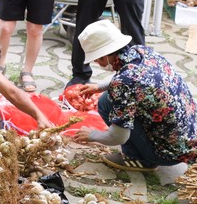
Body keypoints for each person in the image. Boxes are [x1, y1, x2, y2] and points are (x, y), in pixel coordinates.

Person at [72, 20, 197, 171]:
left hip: (169, 154)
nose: (98, 63)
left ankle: (139, 159)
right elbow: (130, 77)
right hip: (188, 139)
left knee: (105, 104)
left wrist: (91, 135)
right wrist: (99, 86)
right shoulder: (141, 51)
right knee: (108, 97)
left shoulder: (123, 84)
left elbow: (118, 137)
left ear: (106, 56)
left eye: (98, 59)